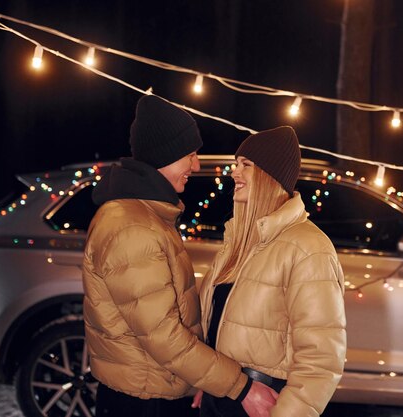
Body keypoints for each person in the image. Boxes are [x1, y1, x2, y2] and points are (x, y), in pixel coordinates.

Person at [82, 95, 277, 417]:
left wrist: (197, 380)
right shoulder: (132, 228)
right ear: (164, 156)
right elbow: (163, 336)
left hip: (156, 390)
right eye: (190, 154)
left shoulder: (148, 217)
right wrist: (240, 387)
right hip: (144, 403)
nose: (196, 165)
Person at [195, 126, 347, 417]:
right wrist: (213, 383)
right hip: (224, 398)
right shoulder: (237, 242)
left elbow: (320, 359)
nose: (234, 173)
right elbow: (217, 327)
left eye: (246, 166)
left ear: (269, 176)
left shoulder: (308, 248)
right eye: (236, 164)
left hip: (264, 405)